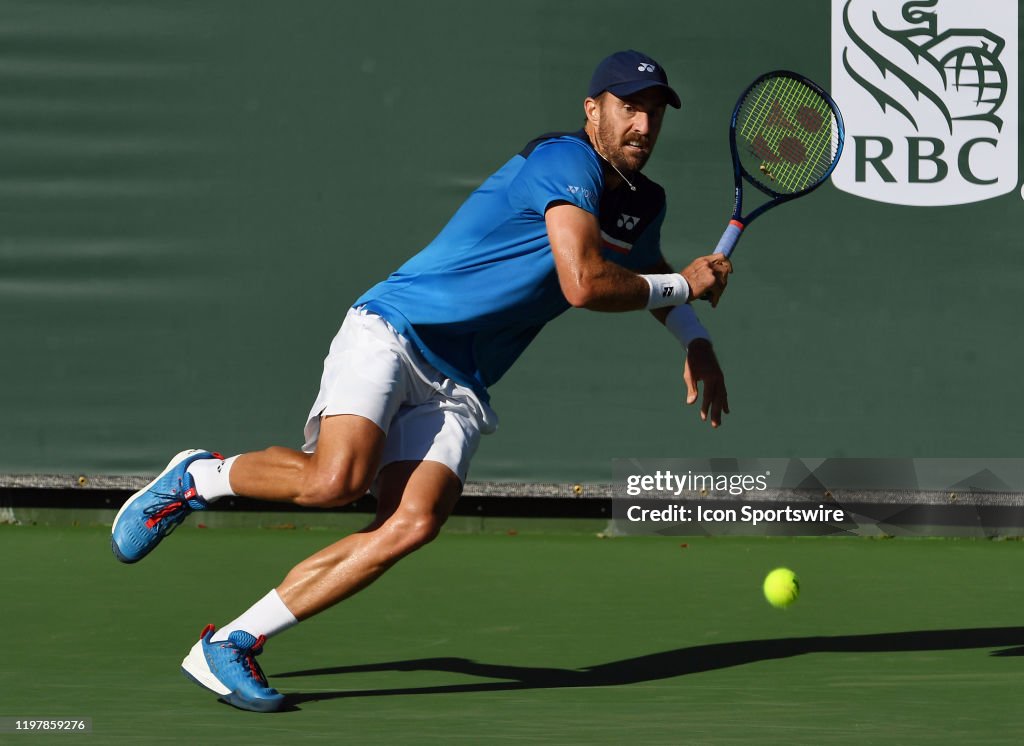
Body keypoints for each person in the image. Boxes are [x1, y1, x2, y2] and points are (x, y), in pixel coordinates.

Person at [111, 49, 733, 712]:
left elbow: (649, 273)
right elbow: (583, 282)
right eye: (629, 107)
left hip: (462, 381)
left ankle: (231, 643)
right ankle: (197, 478)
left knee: (411, 523)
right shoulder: (564, 159)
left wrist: (694, 338)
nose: (643, 125)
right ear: (593, 109)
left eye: (655, 111)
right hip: (397, 329)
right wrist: (683, 284)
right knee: (335, 481)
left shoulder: (644, 201)